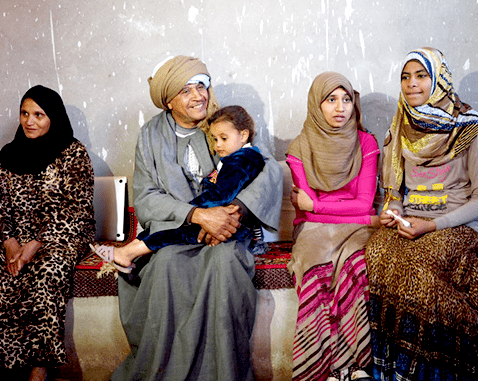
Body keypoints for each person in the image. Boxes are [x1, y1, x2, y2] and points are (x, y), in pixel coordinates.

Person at [110, 56, 282, 381]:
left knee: (226, 264)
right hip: (178, 232)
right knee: (166, 266)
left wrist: (237, 211)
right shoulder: (150, 136)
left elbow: (267, 167)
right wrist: (197, 214)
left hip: (227, 233)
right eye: (186, 90)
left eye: (201, 85)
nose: (198, 96)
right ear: (169, 100)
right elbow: (146, 198)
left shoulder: (222, 121)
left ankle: (225, 373)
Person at [365, 47, 478, 380]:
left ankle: (432, 371)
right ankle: (390, 370)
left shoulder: (468, 127)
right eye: (405, 77)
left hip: (455, 222)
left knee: (419, 265)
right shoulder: (401, 123)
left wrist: (431, 225)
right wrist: (394, 211)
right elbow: (394, 192)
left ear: (439, 80)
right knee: (378, 250)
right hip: (411, 220)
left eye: (421, 76)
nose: (411, 84)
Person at [90, 105, 265, 273]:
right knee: (170, 228)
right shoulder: (239, 157)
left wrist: (193, 210)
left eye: (223, 139)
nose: (218, 145)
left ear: (243, 135)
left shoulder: (242, 160)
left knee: (171, 233)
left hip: (231, 225)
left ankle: (127, 253)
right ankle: (130, 251)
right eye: (215, 139)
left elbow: (221, 195)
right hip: (224, 220)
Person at [286, 72, 380, 381]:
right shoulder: (300, 147)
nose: (340, 108)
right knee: (315, 268)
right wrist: (363, 217)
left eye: (346, 99)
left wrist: (321, 207)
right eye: (331, 100)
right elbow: (308, 212)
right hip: (314, 228)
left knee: (355, 263)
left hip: (355, 228)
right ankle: (323, 369)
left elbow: (364, 202)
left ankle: (355, 366)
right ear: (317, 104)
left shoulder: (365, 142)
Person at [0, 85, 95, 381]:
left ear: (53, 117)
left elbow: (77, 207)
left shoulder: (73, 152)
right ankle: (9, 364)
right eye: (24, 113)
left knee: (46, 272)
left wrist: (35, 244)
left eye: (39, 115)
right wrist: (9, 241)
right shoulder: (7, 155)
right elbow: (0, 203)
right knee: (6, 275)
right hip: (17, 237)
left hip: (63, 235)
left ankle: (39, 368)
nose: (29, 121)